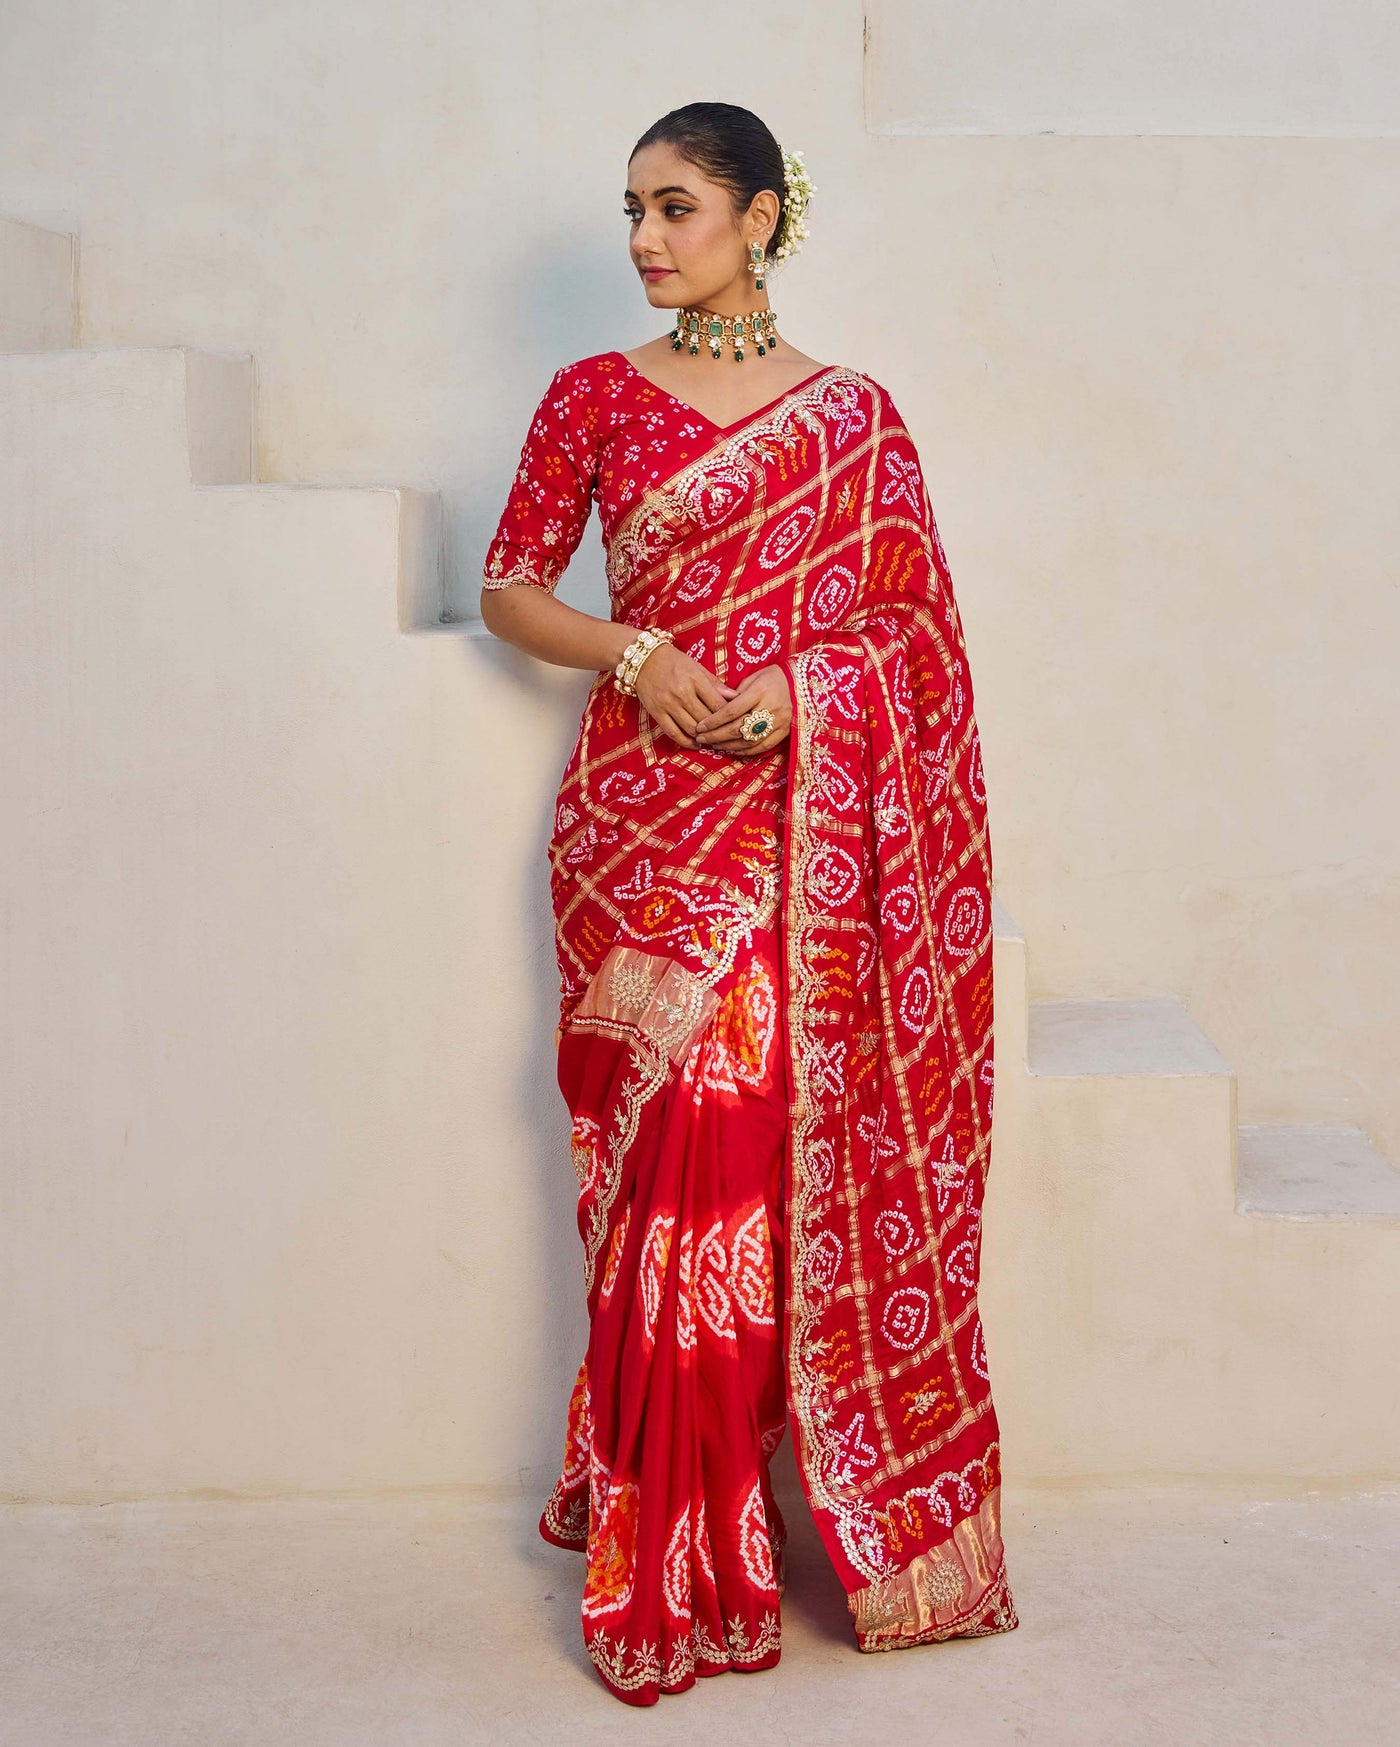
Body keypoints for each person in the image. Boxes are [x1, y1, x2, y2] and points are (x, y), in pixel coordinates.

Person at [479, 100, 1018, 1707]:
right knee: (665, 1171)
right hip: (639, 825)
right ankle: (665, 1540)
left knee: (745, 1155)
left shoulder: (856, 422)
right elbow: (512, 587)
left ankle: (724, 1528)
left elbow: (915, 641)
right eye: (633, 210)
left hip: (798, 836)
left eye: (678, 207)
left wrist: (798, 693)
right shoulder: (592, 395)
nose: (646, 239)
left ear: (761, 217)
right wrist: (638, 655)